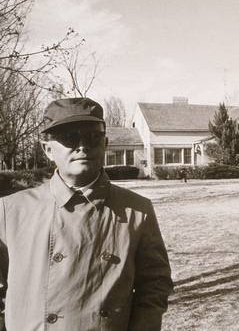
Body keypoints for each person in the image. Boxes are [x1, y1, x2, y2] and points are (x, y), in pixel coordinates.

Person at [0, 98, 173, 330]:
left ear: (105, 143)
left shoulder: (137, 211)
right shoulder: (10, 211)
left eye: (92, 137)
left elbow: (154, 286)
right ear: (47, 149)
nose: (82, 146)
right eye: (69, 137)